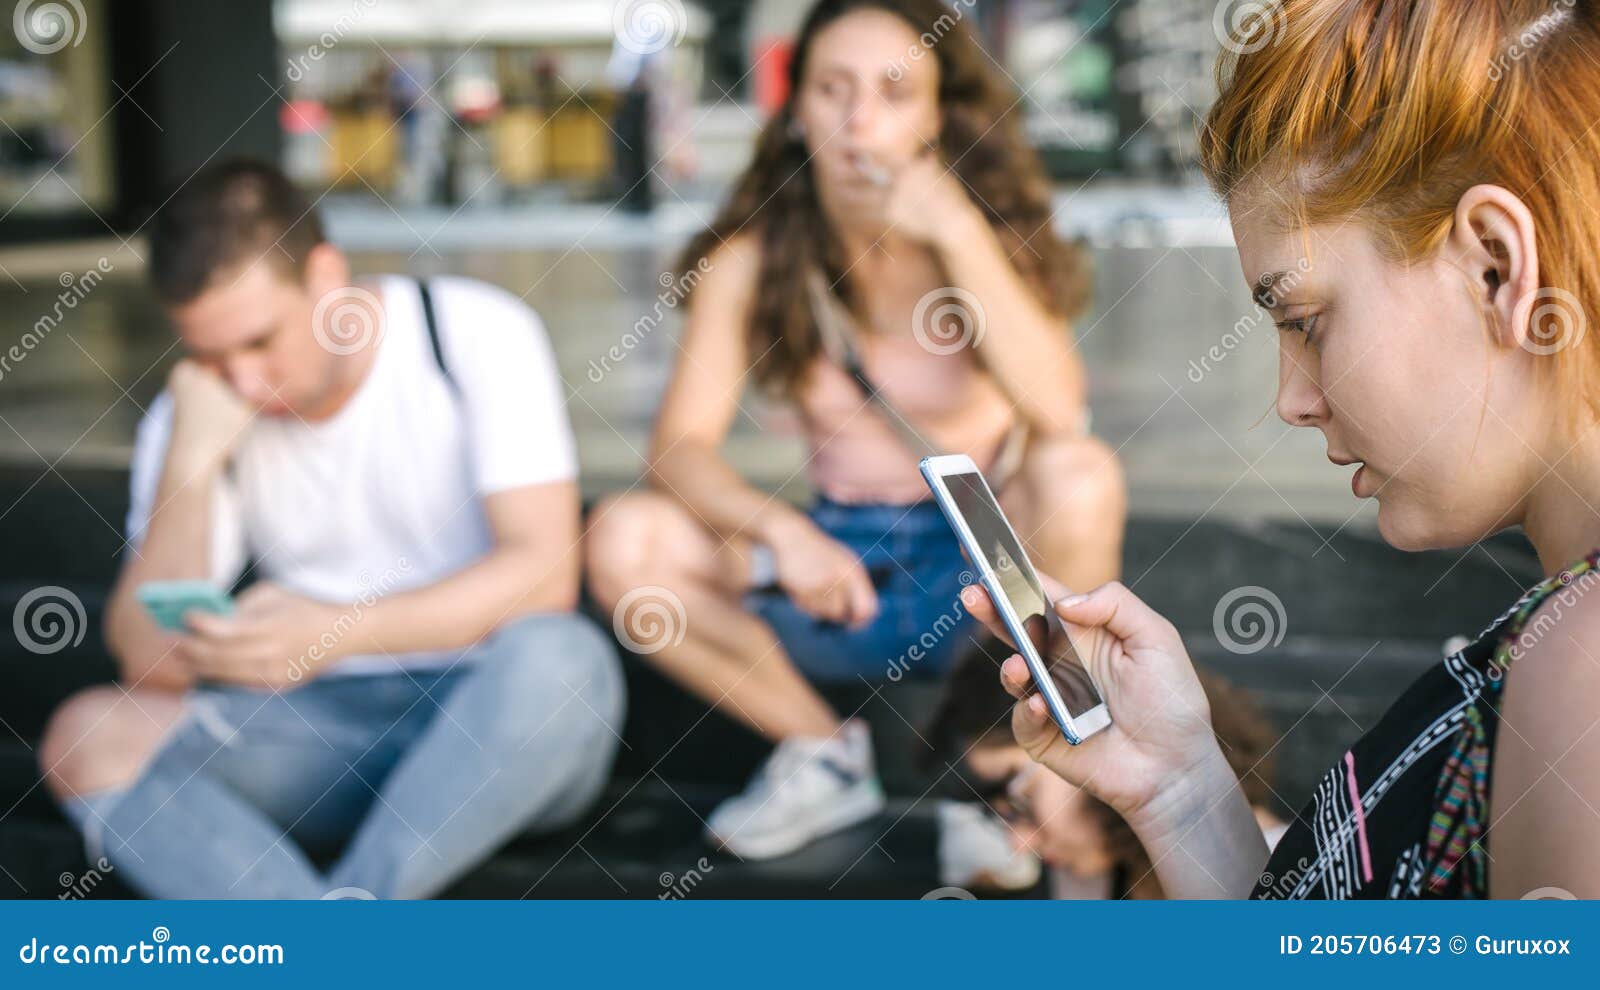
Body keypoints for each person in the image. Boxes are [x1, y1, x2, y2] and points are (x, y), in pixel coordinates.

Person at [966, 0, 1600, 899]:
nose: (1290, 401)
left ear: (1495, 266)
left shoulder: (1585, 666)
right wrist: (1183, 792)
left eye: (1305, 321)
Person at [585, 0, 1125, 860]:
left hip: (978, 562)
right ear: (795, 108)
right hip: (835, 562)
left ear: (935, 115)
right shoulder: (755, 258)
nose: (860, 119)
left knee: (1082, 474)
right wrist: (781, 532)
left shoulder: (987, 239)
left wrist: (952, 227)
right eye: (832, 89)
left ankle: (1019, 772)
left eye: (894, 92)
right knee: (623, 537)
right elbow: (677, 451)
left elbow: (1059, 411)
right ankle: (824, 754)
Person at [36, 160, 624, 899]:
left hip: (493, 723)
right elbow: (153, 667)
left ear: (325, 279)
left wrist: (336, 630)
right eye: (210, 354)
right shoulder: (198, 410)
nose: (242, 380)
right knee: (89, 736)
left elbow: (545, 576)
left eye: (259, 343)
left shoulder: (474, 333)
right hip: (319, 737)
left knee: (563, 659)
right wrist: (190, 461)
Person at [925, 639, 1285, 898]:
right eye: (1000, 813)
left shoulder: (1290, 879)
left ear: (1112, 731)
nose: (1020, 844)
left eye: (1022, 802)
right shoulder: (1097, 878)